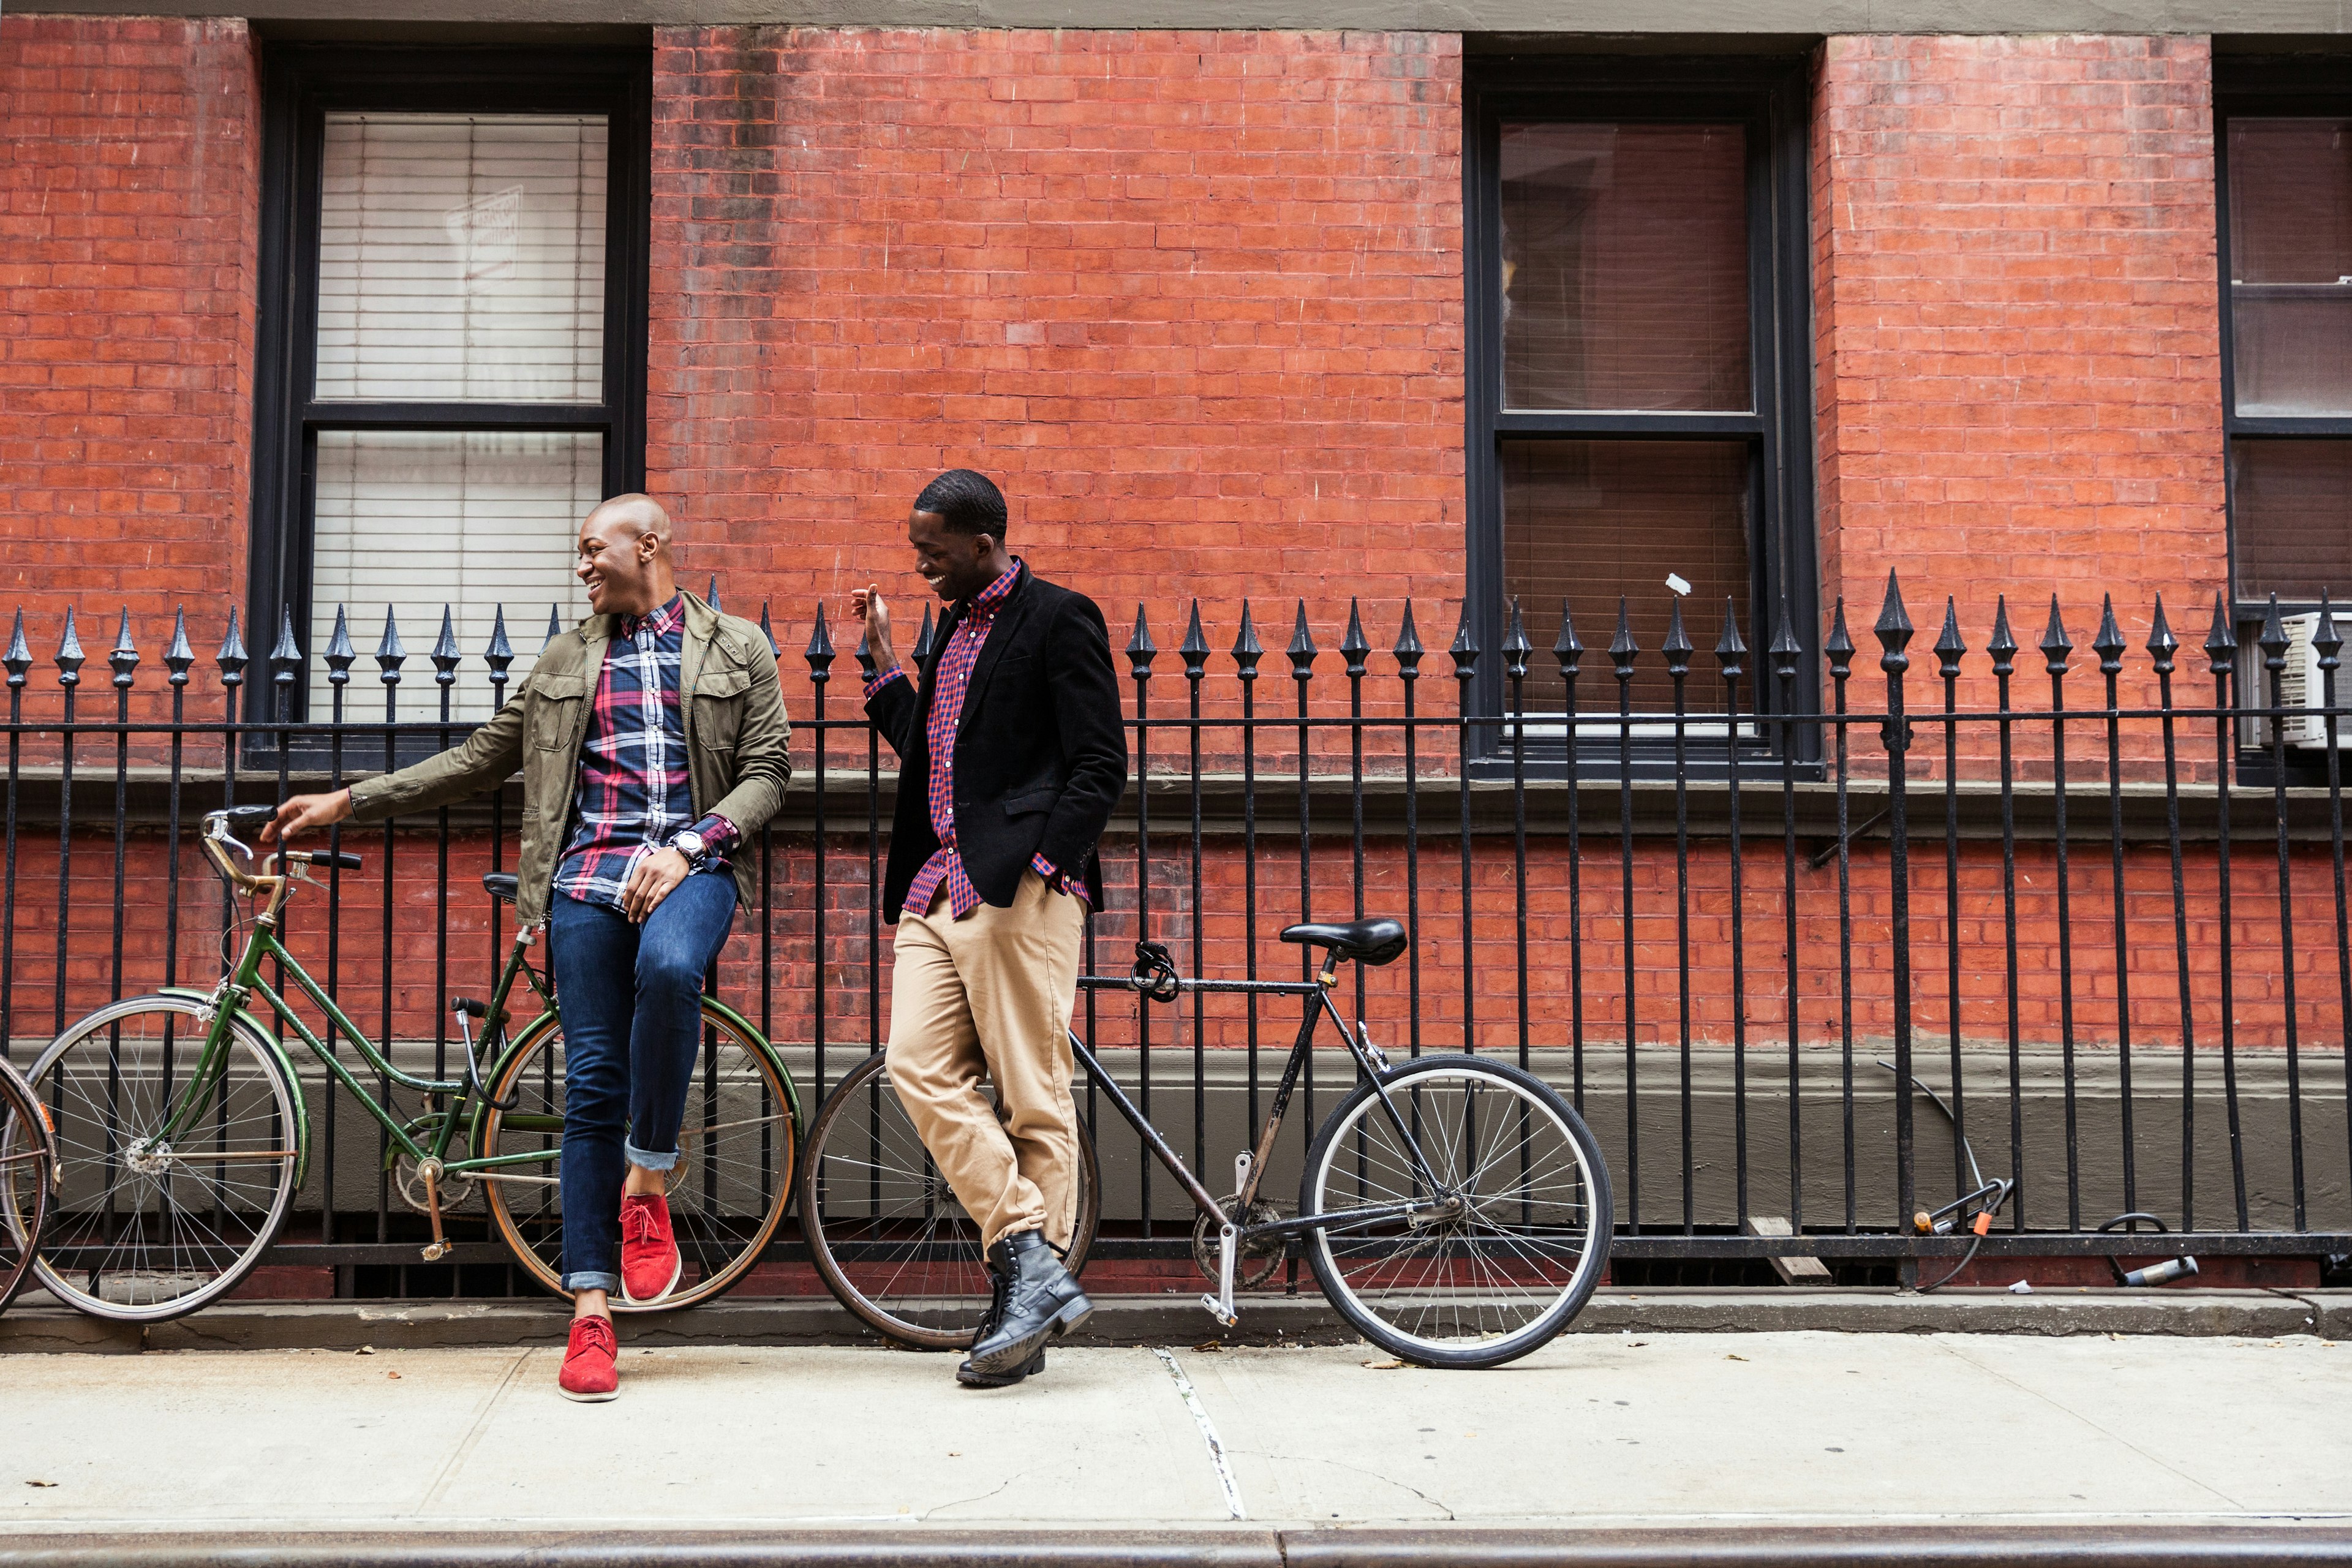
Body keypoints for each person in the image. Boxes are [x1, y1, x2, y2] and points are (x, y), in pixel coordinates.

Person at [264, 494, 791, 1403]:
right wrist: (348, 802)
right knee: (592, 1079)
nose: (582, 566)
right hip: (584, 882)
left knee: (672, 970)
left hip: (692, 868)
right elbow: (477, 758)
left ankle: (649, 1180)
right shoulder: (566, 659)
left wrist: (689, 849)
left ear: (649, 545)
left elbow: (768, 772)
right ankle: (591, 1310)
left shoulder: (736, 646)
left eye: (594, 549)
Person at [851, 468, 1127, 1389]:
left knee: (1032, 1098)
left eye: (932, 550)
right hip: (934, 887)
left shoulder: (1058, 616)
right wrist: (888, 662)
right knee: (915, 1063)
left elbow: (1099, 761)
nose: (920, 563)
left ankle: (1020, 1319)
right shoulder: (949, 633)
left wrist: (1046, 867)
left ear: (981, 543)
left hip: (1017, 891)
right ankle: (1029, 1256)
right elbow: (939, 754)